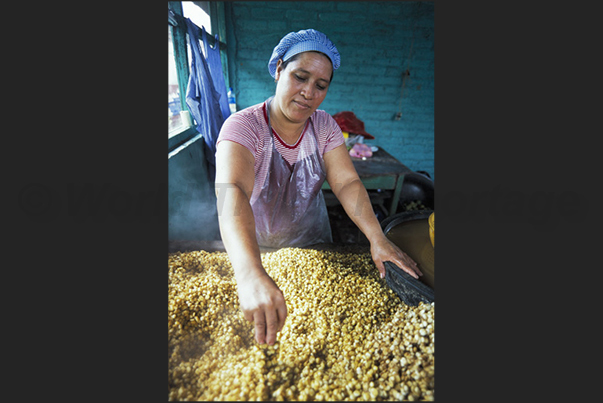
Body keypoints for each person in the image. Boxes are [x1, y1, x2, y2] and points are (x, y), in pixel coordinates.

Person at [215, 29, 422, 346]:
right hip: (256, 249)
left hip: (313, 245)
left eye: (320, 85)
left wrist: (377, 237)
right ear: (280, 69)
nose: (308, 92)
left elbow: (347, 182)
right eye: (300, 77)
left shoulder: (323, 125)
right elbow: (232, 192)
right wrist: (248, 273)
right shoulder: (244, 126)